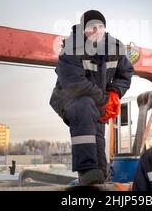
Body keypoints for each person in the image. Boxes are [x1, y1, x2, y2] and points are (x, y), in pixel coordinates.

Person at [50, 10, 134, 186]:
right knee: (84, 106)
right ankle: (87, 170)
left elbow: (125, 72)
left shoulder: (115, 48)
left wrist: (115, 93)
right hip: (69, 98)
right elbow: (75, 84)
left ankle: (99, 175)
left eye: (100, 26)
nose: (97, 30)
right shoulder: (70, 50)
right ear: (83, 30)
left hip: (97, 101)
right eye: (91, 27)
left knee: (97, 131)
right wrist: (105, 100)